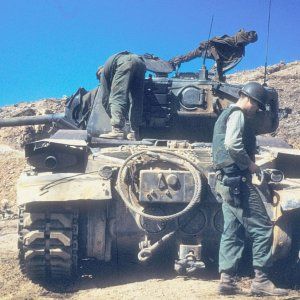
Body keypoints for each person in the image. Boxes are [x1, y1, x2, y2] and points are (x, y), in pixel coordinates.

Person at [212, 82, 288, 296]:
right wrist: (251, 165)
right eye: (258, 106)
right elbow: (233, 145)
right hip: (238, 181)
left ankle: (226, 280)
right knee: (263, 226)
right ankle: (261, 281)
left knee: (233, 230)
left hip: (227, 182)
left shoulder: (224, 115)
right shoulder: (237, 114)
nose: (257, 110)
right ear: (250, 100)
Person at [169, 29, 258, 81]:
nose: (248, 43)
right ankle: (174, 61)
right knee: (190, 56)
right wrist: (216, 56)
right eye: (249, 41)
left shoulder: (239, 46)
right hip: (208, 49)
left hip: (217, 54)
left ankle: (215, 75)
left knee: (191, 56)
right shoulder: (232, 41)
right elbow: (215, 42)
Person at [98, 51, 146, 140]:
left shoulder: (103, 73)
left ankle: (117, 130)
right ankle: (134, 133)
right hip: (140, 62)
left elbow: (105, 99)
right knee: (137, 99)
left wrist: (116, 118)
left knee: (117, 96)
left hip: (125, 62)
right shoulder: (111, 65)